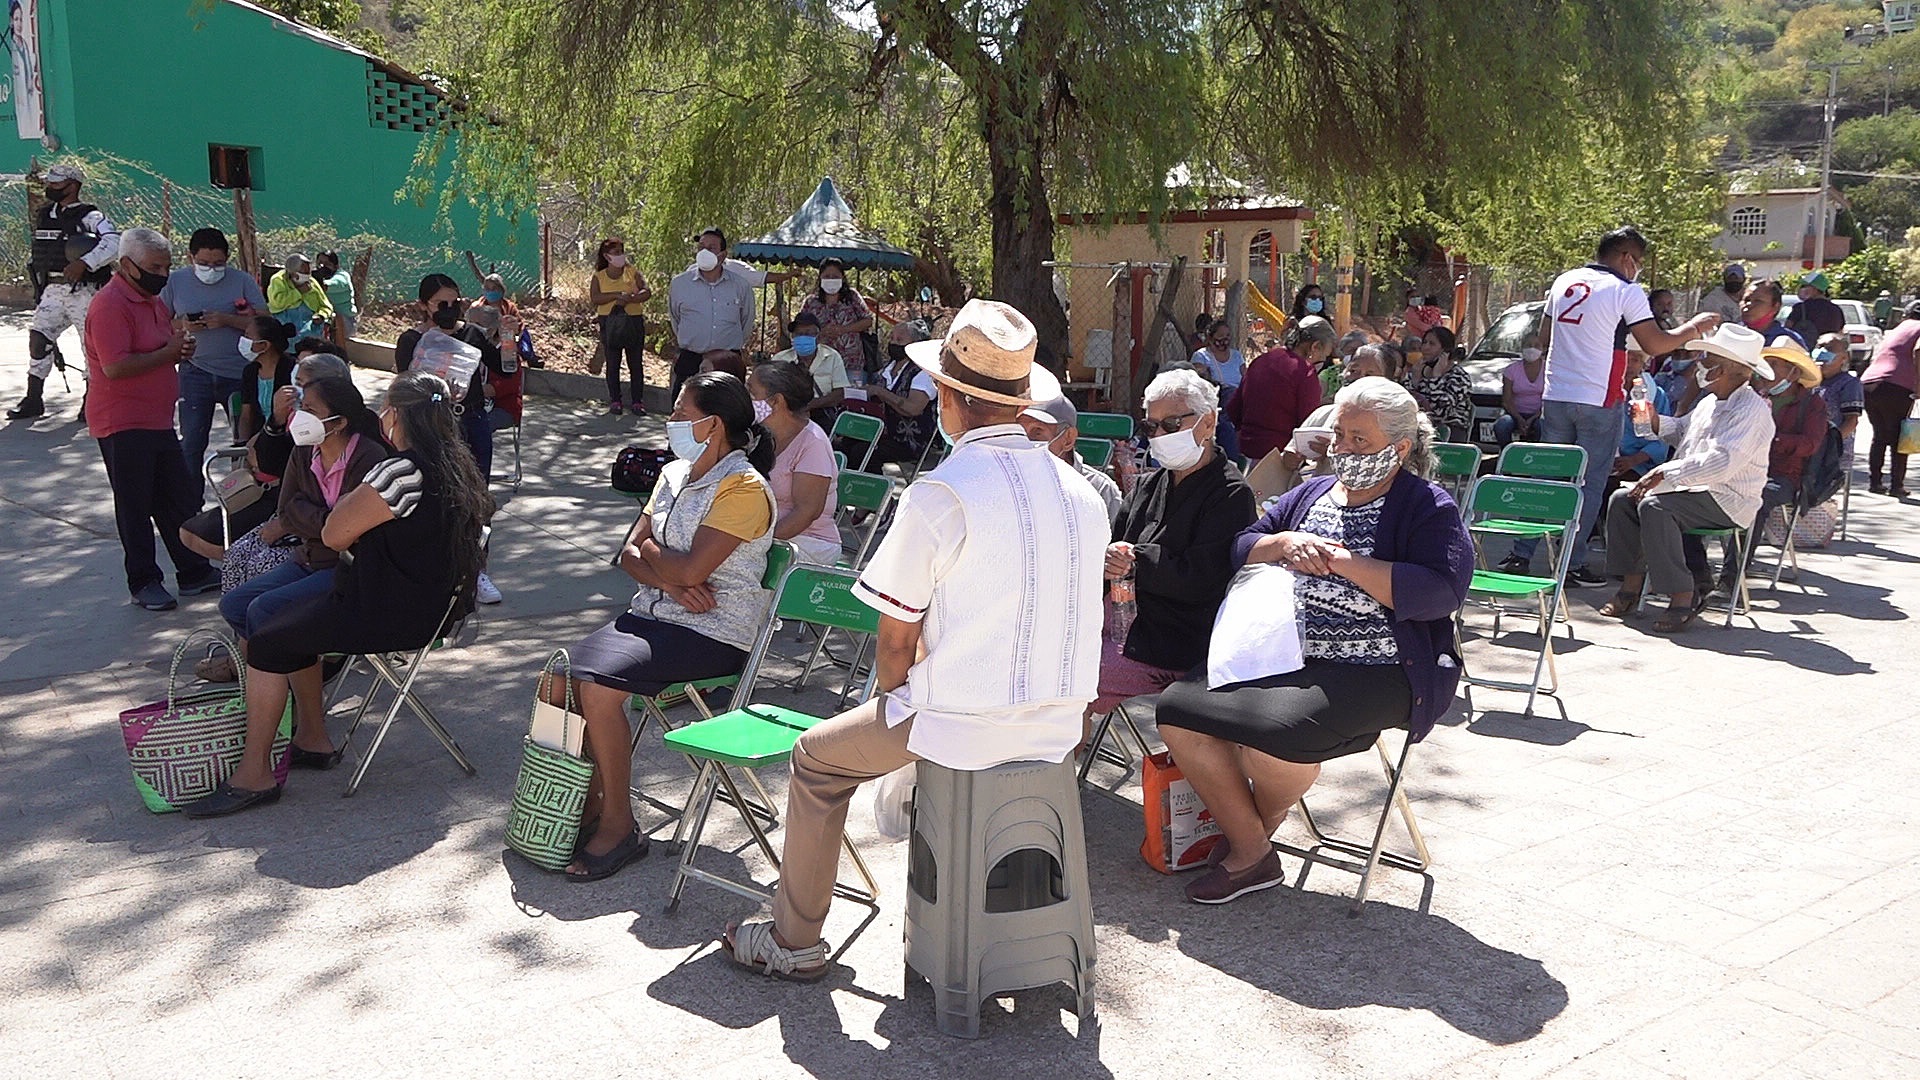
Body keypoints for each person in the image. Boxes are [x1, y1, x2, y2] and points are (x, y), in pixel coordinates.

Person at [721, 299, 1106, 980]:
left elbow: (893, 645)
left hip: (964, 727)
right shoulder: (1081, 491)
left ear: (951, 399)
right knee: (898, 724)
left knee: (815, 759)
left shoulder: (944, 490)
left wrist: (901, 709)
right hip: (1058, 727)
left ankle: (794, 940)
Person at [1153, 377, 1473, 904]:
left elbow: (1439, 592)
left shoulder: (1426, 506)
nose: (1343, 449)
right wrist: (1282, 541)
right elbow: (1241, 547)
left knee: (1274, 733)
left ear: (1402, 447)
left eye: (1359, 439)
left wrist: (1344, 561)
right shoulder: (1311, 493)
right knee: (1178, 708)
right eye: (1338, 436)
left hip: (1379, 669)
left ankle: (1247, 844)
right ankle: (1253, 847)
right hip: (1282, 651)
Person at [181, 371, 491, 817]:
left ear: (399, 416)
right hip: (427, 605)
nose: (382, 416)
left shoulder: (399, 471)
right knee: (287, 623)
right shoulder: (456, 463)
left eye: (387, 408)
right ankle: (310, 738)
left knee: (267, 639)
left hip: (387, 608)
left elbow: (335, 532)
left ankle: (254, 776)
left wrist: (348, 505)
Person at [545, 372, 777, 878]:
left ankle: (618, 824)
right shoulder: (673, 474)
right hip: (656, 612)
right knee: (556, 681)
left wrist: (659, 558)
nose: (670, 422)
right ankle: (583, 802)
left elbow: (688, 567)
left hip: (713, 631)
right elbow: (627, 553)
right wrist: (668, 578)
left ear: (711, 425)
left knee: (598, 690)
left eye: (679, 414)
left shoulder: (743, 487)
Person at [1512, 227, 1720, 587]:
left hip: (1556, 395)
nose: (1637, 269)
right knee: (1589, 484)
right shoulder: (1626, 290)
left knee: (1546, 477)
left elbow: (1544, 338)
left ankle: (1521, 554)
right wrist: (1693, 328)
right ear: (1626, 258)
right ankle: (1570, 563)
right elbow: (1655, 345)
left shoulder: (1565, 280)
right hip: (1599, 398)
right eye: (1637, 262)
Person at [1090, 370, 1254, 724]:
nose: (1160, 436)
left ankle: (1059, 766)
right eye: (1151, 428)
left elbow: (1202, 578)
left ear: (1208, 423)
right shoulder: (1148, 486)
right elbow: (1112, 546)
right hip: (1119, 622)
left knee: (1068, 682)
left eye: (1171, 424)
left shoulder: (1231, 494)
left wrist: (1136, 562)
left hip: (1174, 641)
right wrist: (1108, 560)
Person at [206, 376, 389, 685]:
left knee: (264, 611)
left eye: (310, 409)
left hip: (348, 569)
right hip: (309, 558)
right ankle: (290, 671)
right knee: (235, 605)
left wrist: (322, 519)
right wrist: (331, 521)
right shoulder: (304, 452)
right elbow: (287, 511)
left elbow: (358, 529)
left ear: (339, 421)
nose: (301, 416)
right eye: (302, 407)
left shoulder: (369, 457)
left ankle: (280, 688)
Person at [1598, 325, 1774, 633]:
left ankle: (1683, 595)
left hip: (1728, 497)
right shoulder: (1709, 401)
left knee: (1655, 507)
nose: (1701, 363)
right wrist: (1649, 418)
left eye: (1708, 358)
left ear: (1728, 368)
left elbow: (1722, 463)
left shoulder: (1752, 410)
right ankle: (1631, 586)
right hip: (1693, 488)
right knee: (1622, 501)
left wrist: (1665, 472)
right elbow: (1681, 431)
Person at [84, 228, 221, 611]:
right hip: (122, 422)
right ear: (126, 265)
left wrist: (180, 347)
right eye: (153, 267)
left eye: (166, 266)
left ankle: (193, 570)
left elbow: (165, 342)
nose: (161, 274)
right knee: (135, 504)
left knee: (176, 500)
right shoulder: (110, 305)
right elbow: (115, 367)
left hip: (158, 419)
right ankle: (143, 580)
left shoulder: (153, 301)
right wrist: (169, 353)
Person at [162, 227, 270, 507]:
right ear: (190, 257)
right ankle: (189, 507)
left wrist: (227, 320)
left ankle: (243, 504)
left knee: (245, 444)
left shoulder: (242, 281)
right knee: (191, 444)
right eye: (205, 263)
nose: (211, 269)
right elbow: (157, 321)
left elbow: (266, 323)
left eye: (218, 264)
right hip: (194, 372)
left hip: (238, 373)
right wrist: (183, 325)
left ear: (227, 259)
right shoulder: (175, 282)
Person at [178, 316, 298, 563]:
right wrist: (243, 447)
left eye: (248, 337)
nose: (242, 342)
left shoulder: (291, 371)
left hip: (282, 456)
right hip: (257, 451)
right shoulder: (250, 371)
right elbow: (246, 412)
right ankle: (245, 562)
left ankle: (247, 563)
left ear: (264, 345)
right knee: (193, 532)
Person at [10, 162, 119, 420]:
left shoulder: (90, 217)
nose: (51, 187)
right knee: (39, 339)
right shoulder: (46, 214)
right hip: (53, 289)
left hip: (85, 291)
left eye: (57, 183)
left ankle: (92, 400)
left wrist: (85, 263)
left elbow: (115, 241)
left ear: (74, 186)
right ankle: (33, 398)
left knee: (90, 346)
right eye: (51, 182)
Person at [750, 362, 842, 566]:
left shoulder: (812, 443)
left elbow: (806, 512)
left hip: (807, 543)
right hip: (762, 536)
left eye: (752, 393)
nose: (747, 401)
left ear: (775, 401)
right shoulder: (759, 435)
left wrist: (756, 544)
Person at [1228, 314, 1333, 464]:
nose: (1322, 362)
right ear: (1315, 347)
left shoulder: (1261, 361)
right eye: (1323, 356)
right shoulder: (1305, 372)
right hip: (1280, 459)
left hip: (1244, 451)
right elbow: (1308, 426)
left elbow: (1234, 409)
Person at [668, 228, 757, 398]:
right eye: (701, 247)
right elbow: (675, 318)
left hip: (726, 362)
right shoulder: (680, 284)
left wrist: (729, 349)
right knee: (684, 414)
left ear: (723, 255)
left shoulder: (740, 285)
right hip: (691, 360)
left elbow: (746, 320)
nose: (704, 252)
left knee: (727, 413)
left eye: (711, 248)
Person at [1017, 393, 1123, 524]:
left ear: (1068, 438)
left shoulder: (1099, 489)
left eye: (1037, 432)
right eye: (1020, 432)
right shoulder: (1012, 482)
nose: (1026, 441)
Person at [852, 319, 939, 472]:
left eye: (899, 340)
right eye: (892, 338)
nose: (893, 343)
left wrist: (881, 393)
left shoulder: (922, 373)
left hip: (912, 441)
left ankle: (875, 494)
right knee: (845, 443)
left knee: (862, 452)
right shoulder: (886, 369)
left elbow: (913, 409)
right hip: (882, 433)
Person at [1861, 301, 1920, 496]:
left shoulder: (1897, 329)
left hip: (1870, 382)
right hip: (1896, 385)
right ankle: (1896, 486)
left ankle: (1875, 482)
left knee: (1880, 435)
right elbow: (1918, 352)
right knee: (1899, 437)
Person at [591, 237, 651, 415]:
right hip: (609, 322)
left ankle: (637, 401)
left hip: (633, 321)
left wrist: (631, 298)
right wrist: (617, 295)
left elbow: (646, 291)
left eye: (622, 251)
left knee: (635, 363)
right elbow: (595, 298)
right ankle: (615, 400)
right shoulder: (599, 276)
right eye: (616, 252)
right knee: (613, 362)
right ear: (607, 256)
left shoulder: (632, 272)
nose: (620, 255)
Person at [798, 258, 874, 375]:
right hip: (820, 363)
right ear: (820, 277)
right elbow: (799, 328)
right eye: (827, 276)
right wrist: (822, 332)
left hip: (851, 362)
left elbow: (868, 320)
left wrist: (844, 329)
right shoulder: (811, 302)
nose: (831, 279)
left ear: (842, 278)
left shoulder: (852, 297)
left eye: (835, 276)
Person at [770, 311, 851, 414]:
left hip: (822, 412)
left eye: (808, 333)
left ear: (818, 337)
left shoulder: (832, 357)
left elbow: (840, 392)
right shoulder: (780, 359)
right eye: (798, 334)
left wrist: (811, 405)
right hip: (789, 413)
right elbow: (770, 390)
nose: (803, 337)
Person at [1191, 317, 1245, 462]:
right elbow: (1199, 378)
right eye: (1220, 336)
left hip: (1237, 398)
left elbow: (1245, 379)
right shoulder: (1201, 356)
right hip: (1214, 395)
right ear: (1211, 338)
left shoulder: (1237, 356)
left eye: (1227, 336)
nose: (1225, 340)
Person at [1408, 326, 1473, 439]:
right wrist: (1414, 381)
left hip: (1450, 432)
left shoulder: (1459, 377)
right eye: (1425, 342)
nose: (1425, 347)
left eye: (1432, 344)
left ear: (1445, 350)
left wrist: (1436, 378)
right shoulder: (1418, 370)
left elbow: (1440, 412)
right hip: (1418, 429)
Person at [1812, 331, 1864, 463]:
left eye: (1829, 349)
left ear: (1844, 358)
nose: (1822, 352)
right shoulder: (1808, 382)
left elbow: (1851, 421)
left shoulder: (1849, 384)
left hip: (1833, 456)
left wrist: (1830, 445)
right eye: (1819, 347)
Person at [265, 254, 334, 341]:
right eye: (304, 272)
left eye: (308, 272)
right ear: (292, 273)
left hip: (310, 326)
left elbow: (326, 306)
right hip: (284, 324)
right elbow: (278, 303)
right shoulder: (278, 280)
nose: (307, 275)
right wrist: (298, 291)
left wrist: (321, 315)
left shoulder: (312, 282)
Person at [1494, 346, 1546, 444]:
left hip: (1539, 415)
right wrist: (1519, 419)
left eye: (1536, 345)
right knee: (1502, 425)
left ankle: (1538, 454)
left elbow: (1549, 400)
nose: (1531, 348)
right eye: (1528, 344)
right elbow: (1506, 401)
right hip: (1515, 414)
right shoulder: (1511, 370)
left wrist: (1532, 419)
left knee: (1542, 426)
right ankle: (1507, 453)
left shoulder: (1548, 370)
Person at [1740, 278, 1802, 348]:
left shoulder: (1790, 341)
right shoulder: (1731, 333)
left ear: (1775, 307)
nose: (1749, 304)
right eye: (1746, 299)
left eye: (1758, 301)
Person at [1788, 271, 1846, 343]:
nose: (1800, 289)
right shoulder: (1836, 309)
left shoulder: (1800, 308)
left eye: (1804, 286)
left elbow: (1788, 329)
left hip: (1803, 351)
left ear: (1815, 289)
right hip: (1828, 351)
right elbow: (1840, 332)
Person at [315, 250, 357, 345]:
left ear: (335, 266)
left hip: (345, 323)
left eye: (327, 264)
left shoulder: (342, 276)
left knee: (335, 318)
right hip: (325, 320)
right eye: (320, 263)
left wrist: (319, 284)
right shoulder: (317, 277)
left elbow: (334, 284)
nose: (322, 267)